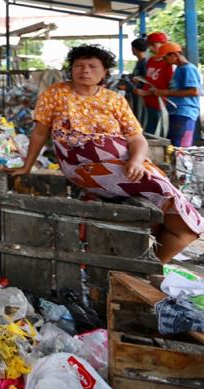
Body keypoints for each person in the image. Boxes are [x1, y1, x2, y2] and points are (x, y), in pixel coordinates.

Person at [15, 45, 201, 262]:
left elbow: (136, 139)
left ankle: (153, 263)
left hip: (125, 161)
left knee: (163, 197)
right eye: (79, 66)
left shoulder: (114, 99)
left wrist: (137, 160)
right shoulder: (54, 94)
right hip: (84, 166)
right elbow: (39, 134)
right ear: (71, 69)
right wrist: (27, 166)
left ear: (104, 72)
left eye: (92, 66)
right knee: (158, 188)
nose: (85, 70)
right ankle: (152, 262)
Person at [138, 42, 200, 148]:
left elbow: (194, 91)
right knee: (173, 146)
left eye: (165, 58)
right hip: (176, 111)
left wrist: (165, 92)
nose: (164, 61)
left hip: (184, 112)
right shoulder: (179, 69)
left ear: (174, 55)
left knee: (179, 147)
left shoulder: (188, 68)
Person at [143, 31, 174, 135]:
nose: (151, 48)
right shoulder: (150, 61)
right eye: (150, 45)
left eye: (154, 45)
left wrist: (149, 93)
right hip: (148, 103)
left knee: (159, 135)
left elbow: (172, 89)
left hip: (161, 105)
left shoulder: (169, 63)